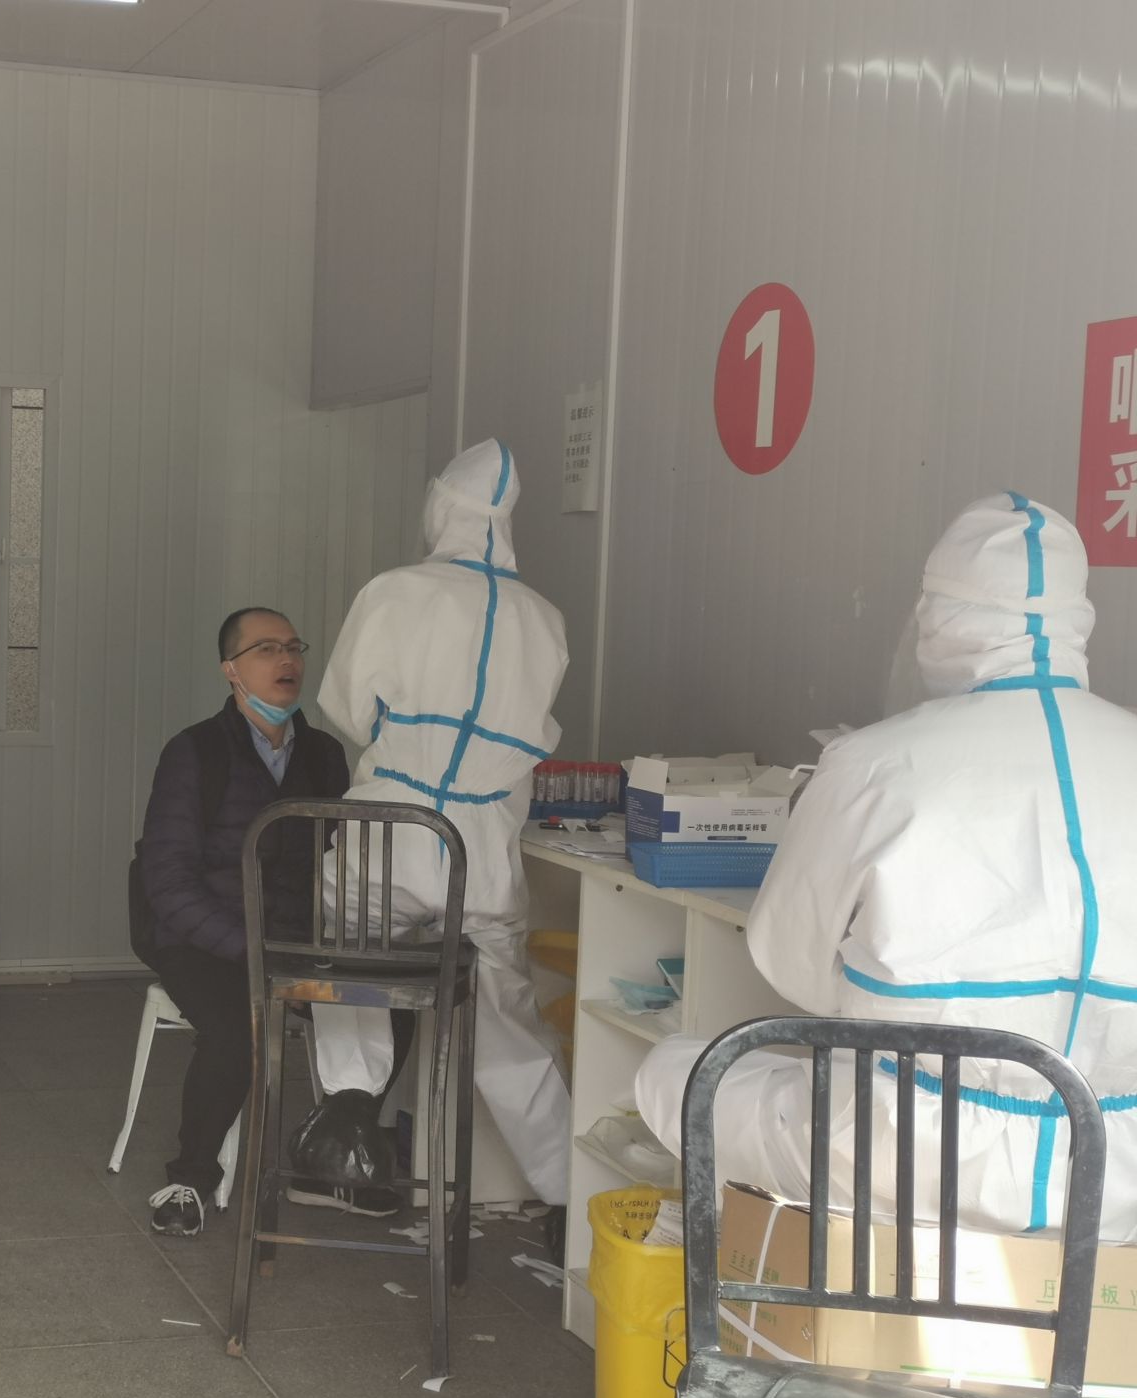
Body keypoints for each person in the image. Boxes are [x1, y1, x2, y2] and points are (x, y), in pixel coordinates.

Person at [636, 493, 1137, 1240]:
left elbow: (790, 965)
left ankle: (775, 1293)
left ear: (941, 617)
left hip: (900, 1157)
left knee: (673, 1071)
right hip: (1112, 1176)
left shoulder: (874, 761)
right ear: (1078, 618)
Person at [309, 439, 573, 1236]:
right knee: (505, 1017)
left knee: (345, 954)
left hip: (389, 833)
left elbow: (346, 709)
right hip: (480, 852)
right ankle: (568, 1197)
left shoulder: (395, 591)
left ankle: (351, 1107)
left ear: (441, 507)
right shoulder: (544, 619)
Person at [135, 608, 353, 1237]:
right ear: (230, 670)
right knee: (239, 1029)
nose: (286, 660)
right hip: (202, 937)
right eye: (265, 649)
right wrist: (252, 950)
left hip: (294, 938)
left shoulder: (324, 756)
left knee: (387, 1011)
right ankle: (192, 1178)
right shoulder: (196, 752)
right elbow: (167, 882)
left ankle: (334, 1162)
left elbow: (340, 864)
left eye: (293, 647)